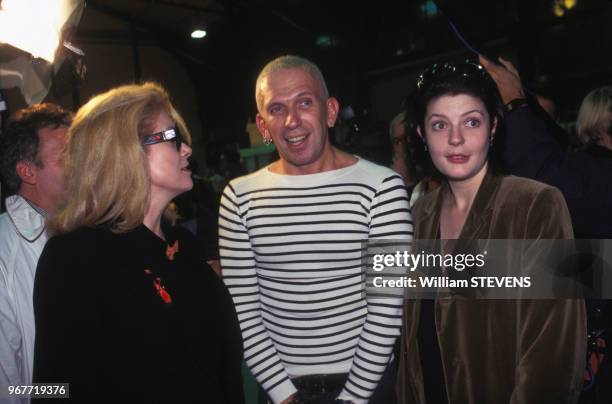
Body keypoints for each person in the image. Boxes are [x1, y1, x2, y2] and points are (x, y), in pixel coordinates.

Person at [31, 83, 243, 403]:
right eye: (172, 138)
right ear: (124, 152)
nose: (186, 150)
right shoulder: (75, 257)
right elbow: (55, 388)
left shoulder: (182, 246)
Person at [219, 55, 413, 404]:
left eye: (304, 103)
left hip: (368, 391)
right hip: (280, 393)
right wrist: (284, 396)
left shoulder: (382, 187)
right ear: (263, 127)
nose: (292, 121)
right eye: (276, 109)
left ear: (331, 111)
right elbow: (244, 312)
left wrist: (351, 399)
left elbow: (387, 308)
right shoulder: (238, 198)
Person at [397, 60, 586, 404]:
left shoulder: (535, 206)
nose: (456, 139)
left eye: (471, 121)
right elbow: (411, 350)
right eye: (440, 125)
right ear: (422, 134)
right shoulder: (417, 217)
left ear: (494, 127)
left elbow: (552, 358)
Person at [0, 103, 70, 401]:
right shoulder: (6, 250)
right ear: (28, 171)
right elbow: (7, 388)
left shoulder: (91, 231)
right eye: (68, 155)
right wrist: (63, 392)